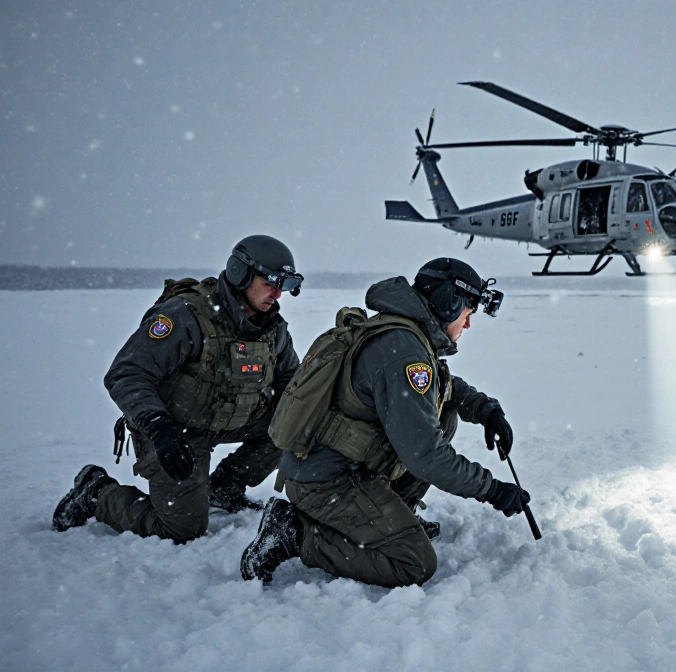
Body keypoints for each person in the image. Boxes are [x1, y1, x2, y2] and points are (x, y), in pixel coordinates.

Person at [240, 258, 528, 587]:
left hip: (335, 469)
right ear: (450, 304)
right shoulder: (405, 352)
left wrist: (486, 410)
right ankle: (294, 533)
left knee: (443, 413)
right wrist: (491, 489)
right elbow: (427, 456)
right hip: (325, 483)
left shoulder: (407, 335)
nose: (468, 324)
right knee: (414, 564)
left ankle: (391, 515)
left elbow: (443, 385)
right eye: (468, 312)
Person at [52, 235, 303, 543]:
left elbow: (295, 386)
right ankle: (96, 493)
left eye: (285, 286)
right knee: (181, 530)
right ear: (242, 274)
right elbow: (127, 373)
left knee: (295, 421)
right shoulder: (186, 316)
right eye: (271, 283)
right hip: (174, 429)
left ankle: (224, 488)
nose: (278, 294)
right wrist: (159, 428)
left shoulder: (272, 329)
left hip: (229, 417)